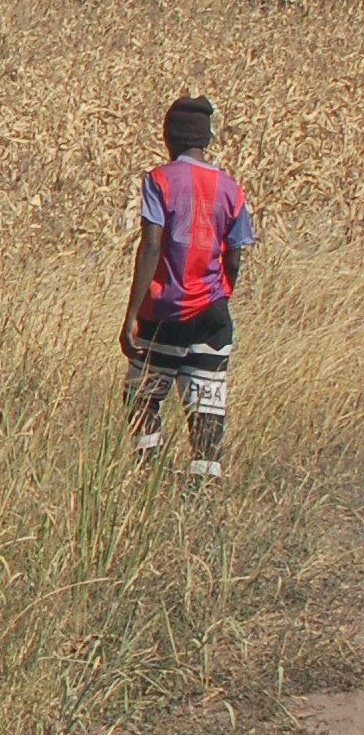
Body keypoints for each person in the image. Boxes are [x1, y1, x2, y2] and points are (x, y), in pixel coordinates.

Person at [122, 94, 253, 480]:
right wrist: (222, 292)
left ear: (169, 137)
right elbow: (234, 256)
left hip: (162, 312)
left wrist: (131, 314)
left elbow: (151, 245)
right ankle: (202, 494)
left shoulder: (159, 180)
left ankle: (147, 477)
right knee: (207, 406)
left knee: (142, 398)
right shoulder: (231, 189)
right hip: (212, 313)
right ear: (206, 139)